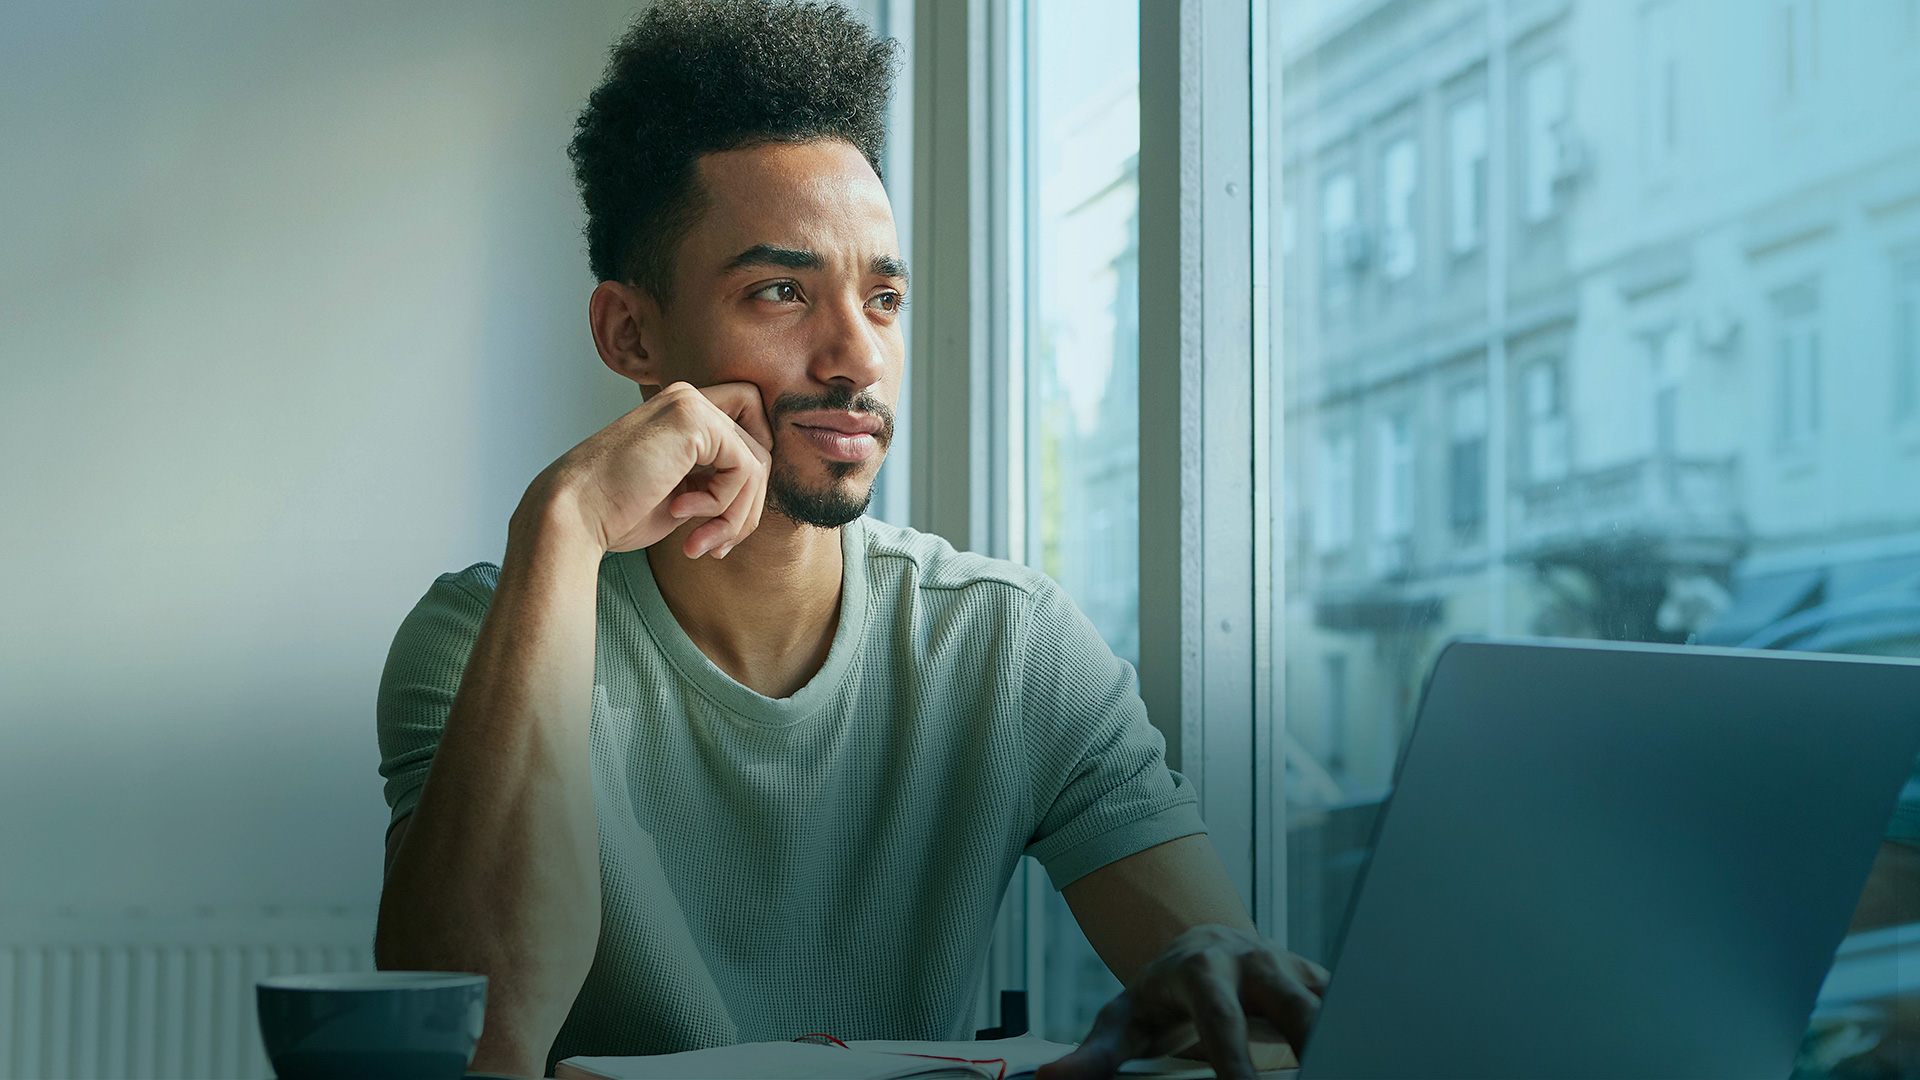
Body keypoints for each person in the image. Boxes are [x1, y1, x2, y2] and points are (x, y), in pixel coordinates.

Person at [372, 2, 1324, 1076]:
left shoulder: (1008, 648)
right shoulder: (478, 636)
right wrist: (564, 521)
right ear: (629, 333)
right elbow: (472, 1046)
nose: (855, 357)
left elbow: (1245, 1018)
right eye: (781, 291)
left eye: (882, 296)